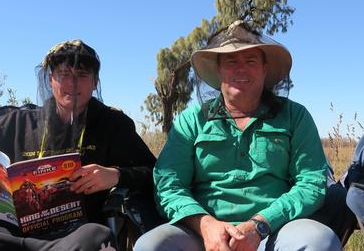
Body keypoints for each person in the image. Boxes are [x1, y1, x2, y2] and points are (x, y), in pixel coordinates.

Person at [0, 39, 156, 251]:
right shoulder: (16, 122)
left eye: (82, 75)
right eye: (64, 75)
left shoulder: (113, 126)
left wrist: (115, 175)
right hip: (2, 234)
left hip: (72, 234)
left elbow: (155, 173)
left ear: (94, 81)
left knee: (96, 237)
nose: (73, 84)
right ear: (50, 80)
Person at [134, 21, 341, 251]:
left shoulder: (295, 116)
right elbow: (169, 185)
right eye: (231, 62)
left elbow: (311, 184)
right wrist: (205, 225)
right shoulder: (191, 120)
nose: (240, 69)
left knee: (319, 241)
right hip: (202, 236)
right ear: (218, 70)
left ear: (264, 69)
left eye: (250, 61)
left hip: (274, 232)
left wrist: (259, 226)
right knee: (150, 246)